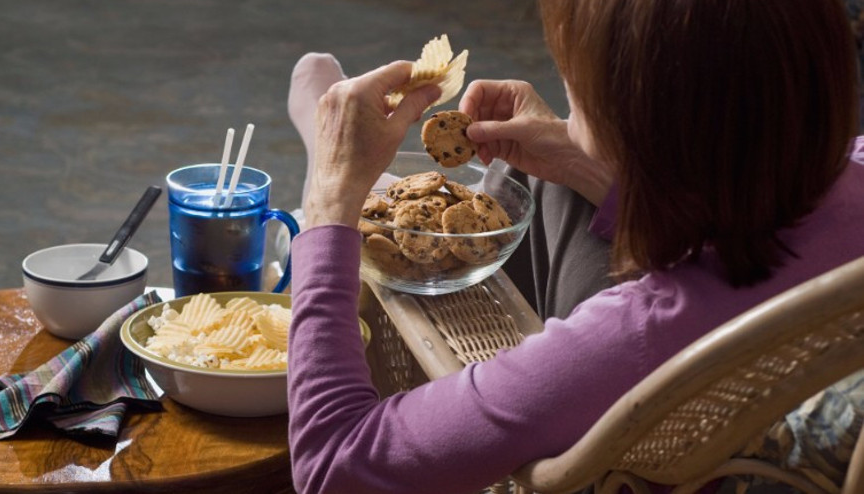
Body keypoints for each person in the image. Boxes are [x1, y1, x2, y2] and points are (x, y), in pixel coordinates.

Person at [286, 1, 864, 493]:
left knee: (498, 194)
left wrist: (330, 197)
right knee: (542, 183)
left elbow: (333, 466)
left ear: (631, 122)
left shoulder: (633, 337)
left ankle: (343, 162)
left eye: (572, 76)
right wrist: (588, 162)